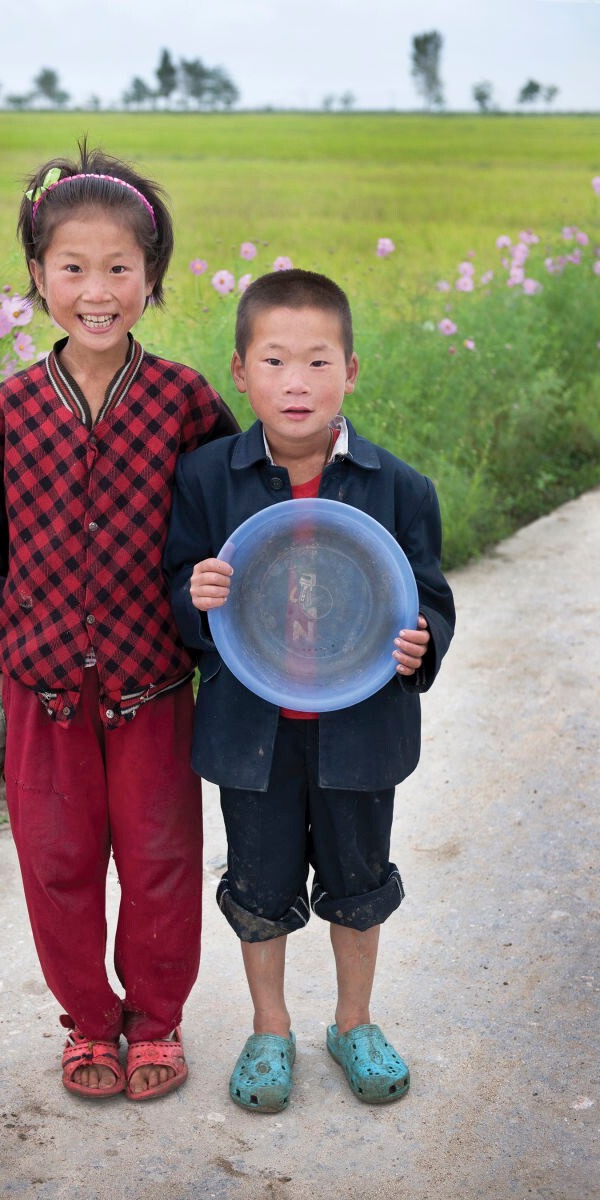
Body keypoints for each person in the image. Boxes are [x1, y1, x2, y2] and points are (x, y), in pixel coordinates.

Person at [0, 143, 238, 1102]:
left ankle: (155, 1023)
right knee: (57, 862)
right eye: (72, 267)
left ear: (151, 277)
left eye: (120, 267)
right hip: (41, 685)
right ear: (37, 278)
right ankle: (88, 1023)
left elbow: (232, 526)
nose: (97, 289)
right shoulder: (12, 406)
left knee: (160, 860)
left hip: (153, 681)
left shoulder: (187, 400)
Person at [164, 268, 455, 1113]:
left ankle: (353, 1022)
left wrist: (419, 643)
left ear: (352, 373)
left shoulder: (398, 488)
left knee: (359, 879)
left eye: (320, 362)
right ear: (241, 372)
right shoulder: (205, 479)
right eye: (277, 361)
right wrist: (198, 596)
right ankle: (269, 1027)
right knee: (260, 882)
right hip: (253, 733)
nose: (298, 383)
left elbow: (427, 596)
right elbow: (179, 591)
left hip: (360, 731)